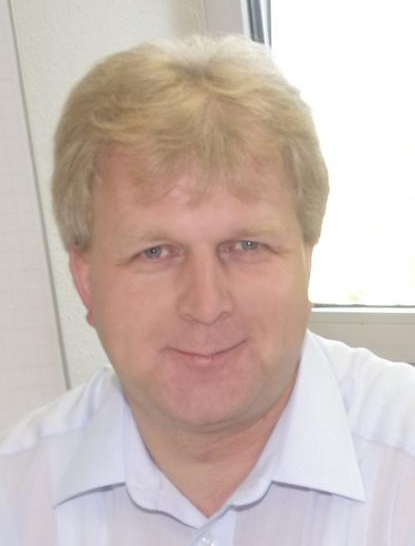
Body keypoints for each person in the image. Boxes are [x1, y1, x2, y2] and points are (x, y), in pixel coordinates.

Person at [1, 35, 415, 546]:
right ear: (85, 281)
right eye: (155, 252)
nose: (206, 305)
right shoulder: (13, 496)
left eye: (247, 245)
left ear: (306, 261)